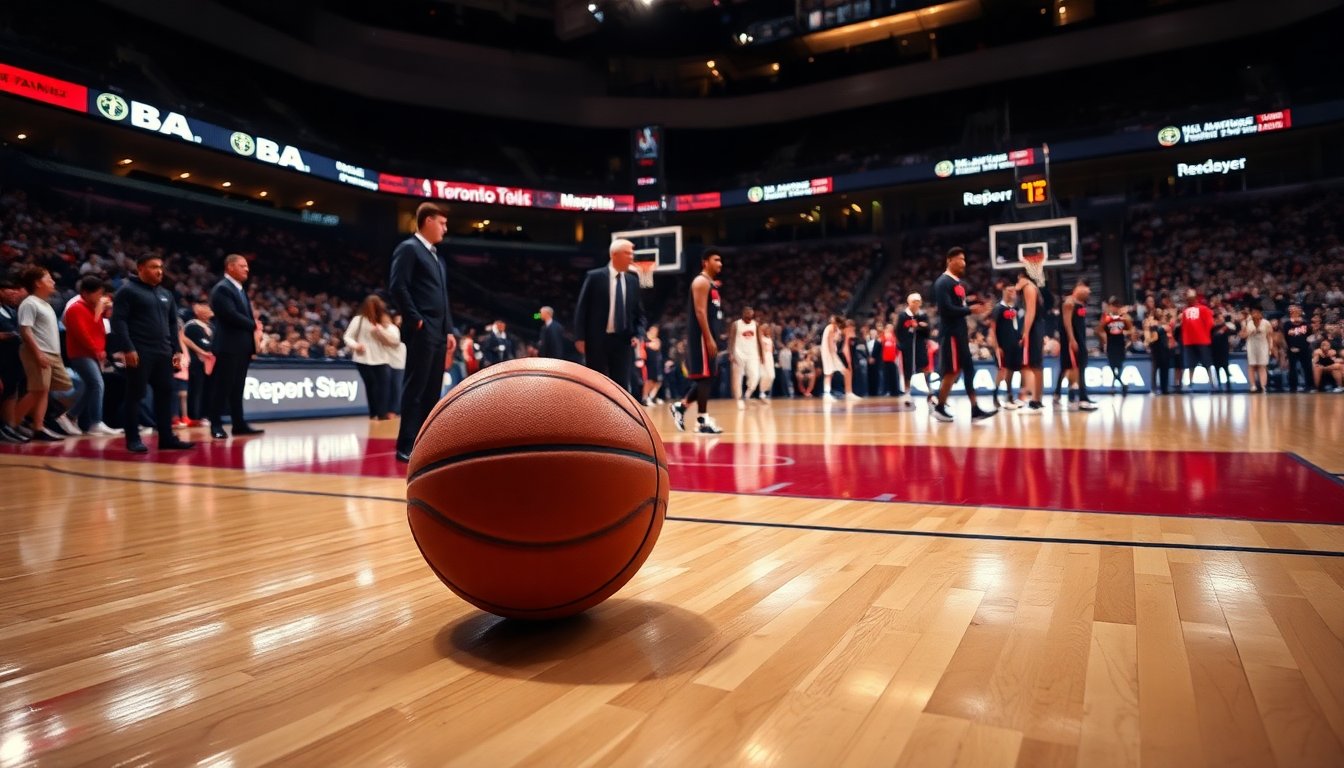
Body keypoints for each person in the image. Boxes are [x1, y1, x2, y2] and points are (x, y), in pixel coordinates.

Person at [389, 202, 458, 463]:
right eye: (441, 223)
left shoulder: (436, 257)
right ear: (427, 221)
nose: (445, 228)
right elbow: (398, 286)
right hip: (423, 329)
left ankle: (426, 444)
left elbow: (443, 297)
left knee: (431, 390)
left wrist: (449, 330)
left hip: (439, 331)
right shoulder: (408, 249)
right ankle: (405, 444)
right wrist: (415, 318)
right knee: (416, 387)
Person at [109, 255, 195, 453]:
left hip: (163, 352)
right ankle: (133, 439)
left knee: (166, 394)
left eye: (161, 267)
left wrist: (177, 349)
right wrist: (128, 347)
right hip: (140, 352)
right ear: (140, 268)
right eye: (154, 267)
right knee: (135, 395)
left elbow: (173, 323)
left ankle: (166, 438)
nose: (159, 271)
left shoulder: (166, 294)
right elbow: (118, 321)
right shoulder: (127, 291)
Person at [930, 247, 994, 422]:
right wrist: (969, 309)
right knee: (952, 371)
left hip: (960, 333)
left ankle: (975, 410)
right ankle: (939, 407)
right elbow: (946, 309)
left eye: (964, 259)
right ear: (950, 260)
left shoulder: (957, 284)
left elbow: (958, 308)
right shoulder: (943, 282)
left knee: (969, 370)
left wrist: (971, 307)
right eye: (960, 259)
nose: (964, 263)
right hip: (950, 334)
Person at [14, 266, 76, 442]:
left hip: (51, 352)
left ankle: (38, 427)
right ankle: (12, 425)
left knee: (44, 391)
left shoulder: (45, 304)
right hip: (38, 351)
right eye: (49, 279)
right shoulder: (29, 303)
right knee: (37, 390)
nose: (53, 282)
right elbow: (25, 331)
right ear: (37, 283)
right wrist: (38, 353)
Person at [574, 238, 645, 386]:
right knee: (596, 384)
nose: (631, 257)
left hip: (623, 341)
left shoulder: (633, 281)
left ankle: (619, 410)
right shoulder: (594, 277)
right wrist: (580, 337)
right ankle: (594, 410)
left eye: (632, 253)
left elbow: (640, 315)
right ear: (614, 254)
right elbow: (582, 308)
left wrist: (639, 334)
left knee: (622, 385)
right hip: (597, 339)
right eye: (627, 253)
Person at [209, 253, 265, 440]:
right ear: (230, 267)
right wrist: (253, 324)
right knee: (222, 387)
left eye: (247, 266)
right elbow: (229, 314)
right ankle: (215, 424)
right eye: (242, 266)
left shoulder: (239, 288)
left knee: (237, 388)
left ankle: (239, 424)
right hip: (228, 345)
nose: (247, 269)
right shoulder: (222, 289)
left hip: (241, 346)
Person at [670, 250, 724, 434]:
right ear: (705, 262)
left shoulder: (711, 284)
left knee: (707, 378)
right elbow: (700, 312)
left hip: (708, 336)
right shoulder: (700, 282)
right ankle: (702, 420)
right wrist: (708, 338)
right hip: (701, 337)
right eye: (716, 260)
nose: (720, 263)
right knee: (705, 377)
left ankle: (681, 407)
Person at [62, 275, 118, 434]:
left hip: (92, 353)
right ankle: (96, 422)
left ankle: (70, 415)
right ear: (86, 293)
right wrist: (97, 350)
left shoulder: (92, 307)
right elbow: (84, 334)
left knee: (91, 386)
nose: (101, 297)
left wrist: (105, 310)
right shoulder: (75, 308)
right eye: (98, 294)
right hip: (81, 353)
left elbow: (104, 323)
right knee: (97, 384)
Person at [344, 294, 397, 420]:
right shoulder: (359, 320)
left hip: (382, 358)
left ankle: (382, 413)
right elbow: (348, 336)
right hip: (363, 359)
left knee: (384, 386)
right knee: (371, 386)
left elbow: (394, 338)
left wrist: (381, 331)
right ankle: (373, 412)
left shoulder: (384, 321)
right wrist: (356, 345)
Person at [1016, 266, 1050, 413]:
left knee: (1034, 365)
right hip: (1037, 327)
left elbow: (1031, 312)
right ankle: (1037, 399)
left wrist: (1025, 332)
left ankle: (1036, 400)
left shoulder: (1029, 288)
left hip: (1034, 328)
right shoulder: (1031, 287)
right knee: (1035, 365)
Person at [1060, 280, 1097, 410]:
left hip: (1080, 340)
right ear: (1079, 287)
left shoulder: (1081, 303)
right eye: (1087, 288)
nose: (1090, 291)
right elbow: (1067, 322)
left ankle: (1082, 396)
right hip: (1073, 341)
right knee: (1075, 368)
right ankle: (1080, 398)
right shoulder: (1069, 302)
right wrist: (1072, 339)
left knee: (1079, 367)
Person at [180, 296, 214, 426]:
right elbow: (183, 341)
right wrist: (200, 353)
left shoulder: (212, 327)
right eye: (204, 306)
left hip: (210, 364)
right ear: (197, 309)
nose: (208, 309)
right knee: (196, 389)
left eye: (208, 307)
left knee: (209, 390)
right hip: (195, 364)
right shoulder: (191, 325)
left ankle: (206, 415)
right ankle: (195, 416)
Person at [988, 281, 1022, 409]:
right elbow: (992, 329)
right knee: (1002, 371)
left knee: (1012, 371)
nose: (1012, 293)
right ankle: (995, 396)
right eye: (1009, 291)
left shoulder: (1014, 308)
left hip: (1014, 345)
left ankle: (1009, 396)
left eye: (1013, 291)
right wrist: (997, 347)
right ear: (1003, 292)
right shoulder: (998, 308)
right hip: (1002, 346)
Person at [895, 295, 930, 409]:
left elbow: (928, 331)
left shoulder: (923, 315)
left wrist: (919, 326)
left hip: (920, 346)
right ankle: (907, 394)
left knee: (924, 368)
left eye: (918, 301)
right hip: (908, 347)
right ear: (909, 302)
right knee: (907, 371)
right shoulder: (902, 316)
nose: (916, 304)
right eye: (914, 301)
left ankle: (930, 393)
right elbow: (898, 331)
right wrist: (902, 345)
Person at [1179, 289, 1216, 393]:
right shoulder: (1203, 309)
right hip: (1199, 340)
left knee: (1196, 364)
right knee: (1202, 363)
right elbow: (1210, 324)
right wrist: (1205, 334)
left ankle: (1209, 382)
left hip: (1192, 341)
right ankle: (1209, 383)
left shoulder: (1187, 311)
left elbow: (1184, 326)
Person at [728, 306, 764, 409]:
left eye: (751, 314)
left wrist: (762, 355)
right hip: (738, 353)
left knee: (755, 376)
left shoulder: (756, 325)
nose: (750, 315)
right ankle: (739, 400)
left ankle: (747, 394)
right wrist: (730, 353)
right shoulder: (736, 324)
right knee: (737, 379)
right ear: (743, 314)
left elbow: (759, 340)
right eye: (748, 313)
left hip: (753, 354)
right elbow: (731, 339)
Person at [1099, 297, 1133, 396]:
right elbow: (1100, 330)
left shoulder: (1124, 317)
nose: (1113, 308)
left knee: (1119, 365)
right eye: (1112, 306)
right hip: (1111, 344)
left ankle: (1114, 386)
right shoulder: (1106, 318)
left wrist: (1126, 334)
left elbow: (1131, 329)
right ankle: (1122, 385)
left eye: (1115, 306)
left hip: (1120, 344)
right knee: (1112, 365)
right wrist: (1104, 341)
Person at [1241, 306, 1271, 393]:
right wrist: (1245, 324)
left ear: (1261, 313)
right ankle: (1253, 386)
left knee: (1262, 366)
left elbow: (1269, 336)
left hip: (1263, 346)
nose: (1255, 314)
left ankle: (1263, 386)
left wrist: (1270, 347)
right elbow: (1243, 336)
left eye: (1257, 312)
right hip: (1251, 346)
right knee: (1252, 366)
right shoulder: (1247, 323)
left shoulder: (1266, 323)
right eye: (1253, 312)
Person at [819, 315, 844, 399]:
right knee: (828, 373)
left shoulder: (832, 328)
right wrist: (832, 354)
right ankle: (827, 393)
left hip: (828, 352)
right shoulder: (831, 327)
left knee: (830, 373)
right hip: (829, 352)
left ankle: (827, 392)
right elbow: (830, 341)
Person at [642, 325, 664, 405]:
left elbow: (655, 346)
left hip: (656, 363)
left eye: (655, 331)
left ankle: (650, 397)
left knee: (658, 382)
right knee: (648, 381)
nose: (654, 332)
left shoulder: (657, 340)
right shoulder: (645, 339)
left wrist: (648, 342)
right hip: (648, 363)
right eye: (653, 330)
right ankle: (645, 398)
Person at [756, 322, 775, 402]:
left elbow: (772, 349)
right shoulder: (761, 338)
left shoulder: (769, 338)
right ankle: (762, 392)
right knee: (764, 375)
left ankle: (765, 391)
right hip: (764, 357)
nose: (768, 330)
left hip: (770, 357)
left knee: (772, 376)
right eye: (766, 328)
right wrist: (762, 357)